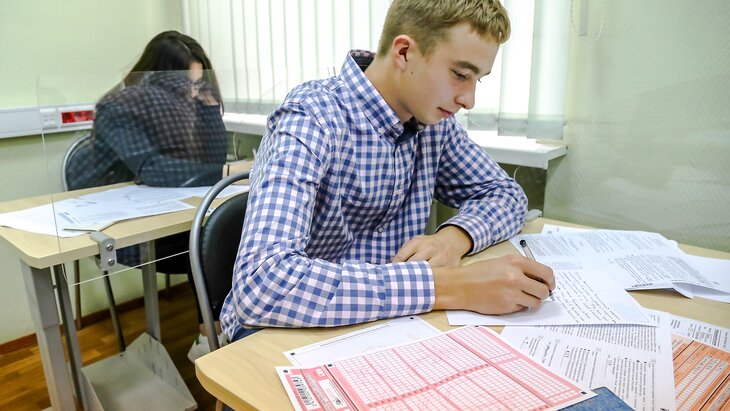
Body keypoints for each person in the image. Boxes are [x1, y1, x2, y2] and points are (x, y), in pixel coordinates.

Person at [219, 0, 555, 342]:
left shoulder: (433, 124)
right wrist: (450, 286)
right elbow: (263, 284)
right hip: (286, 330)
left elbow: (506, 195)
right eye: (459, 74)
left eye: (477, 80)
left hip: (390, 321)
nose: (469, 100)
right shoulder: (312, 117)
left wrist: (454, 238)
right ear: (405, 53)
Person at [66, 30, 244, 360]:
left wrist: (207, 107)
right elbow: (152, 168)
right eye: (187, 86)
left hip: (163, 213)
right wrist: (229, 171)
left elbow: (209, 159)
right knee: (209, 235)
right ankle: (211, 335)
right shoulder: (119, 108)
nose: (192, 93)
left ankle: (225, 329)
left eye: (198, 84)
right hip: (120, 230)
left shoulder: (186, 107)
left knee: (228, 226)